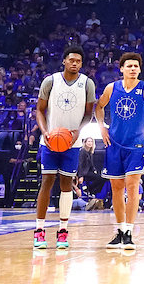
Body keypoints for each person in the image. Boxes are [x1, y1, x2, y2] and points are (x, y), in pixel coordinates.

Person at [94, 52, 144, 250]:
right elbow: (99, 107)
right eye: (129, 66)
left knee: (132, 187)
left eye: (136, 66)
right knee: (116, 188)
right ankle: (120, 230)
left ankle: (130, 232)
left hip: (137, 145)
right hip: (114, 144)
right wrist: (102, 128)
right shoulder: (112, 88)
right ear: (122, 69)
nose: (133, 69)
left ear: (139, 70)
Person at [32, 45, 96, 248]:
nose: (74, 63)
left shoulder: (87, 84)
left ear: (81, 64)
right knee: (47, 182)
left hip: (72, 143)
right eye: (71, 60)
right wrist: (44, 131)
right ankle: (39, 230)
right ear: (64, 61)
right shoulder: (50, 81)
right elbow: (39, 110)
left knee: (67, 185)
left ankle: (63, 231)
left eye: (78, 61)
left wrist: (78, 131)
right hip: (50, 141)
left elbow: (89, 114)